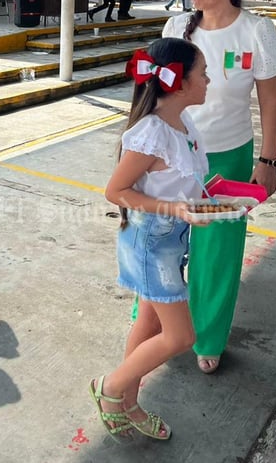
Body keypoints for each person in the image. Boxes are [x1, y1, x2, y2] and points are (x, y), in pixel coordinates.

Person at [161, 0, 276, 374]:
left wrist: (268, 161)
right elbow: (156, 92)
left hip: (229, 157)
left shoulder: (256, 31)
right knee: (165, 243)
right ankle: (159, 324)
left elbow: (271, 102)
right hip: (174, 156)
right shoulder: (178, 26)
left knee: (217, 251)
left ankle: (208, 335)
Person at [90, 37, 211, 442]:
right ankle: (109, 388)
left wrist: (218, 200)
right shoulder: (151, 132)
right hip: (151, 243)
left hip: (173, 240)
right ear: (179, 83)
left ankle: (128, 403)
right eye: (203, 73)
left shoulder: (183, 122)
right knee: (181, 337)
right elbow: (116, 191)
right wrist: (175, 210)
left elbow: (182, 182)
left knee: (148, 321)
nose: (208, 80)